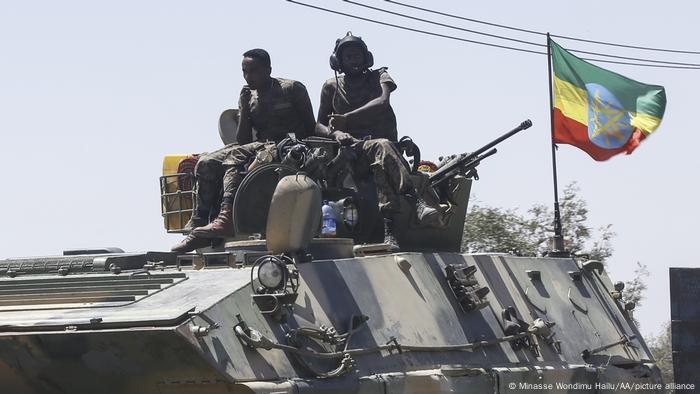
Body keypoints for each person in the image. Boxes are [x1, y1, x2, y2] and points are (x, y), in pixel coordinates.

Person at [172, 48, 315, 253]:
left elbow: (310, 125)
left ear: (268, 69)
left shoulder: (290, 88)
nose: (248, 77)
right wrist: (244, 109)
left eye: (253, 71)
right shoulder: (249, 96)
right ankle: (199, 222)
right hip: (260, 144)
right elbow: (243, 140)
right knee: (205, 163)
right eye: (244, 72)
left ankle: (227, 216)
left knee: (235, 157)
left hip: (289, 144)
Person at [315, 32, 438, 249]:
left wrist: (347, 118)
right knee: (382, 149)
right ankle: (415, 201)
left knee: (381, 162)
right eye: (348, 57)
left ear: (366, 58)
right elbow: (318, 124)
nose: (353, 61)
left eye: (357, 56)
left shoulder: (379, 77)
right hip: (352, 148)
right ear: (338, 62)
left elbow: (383, 102)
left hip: (383, 149)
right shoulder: (331, 87)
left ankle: (390, 232)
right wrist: (336, 133)